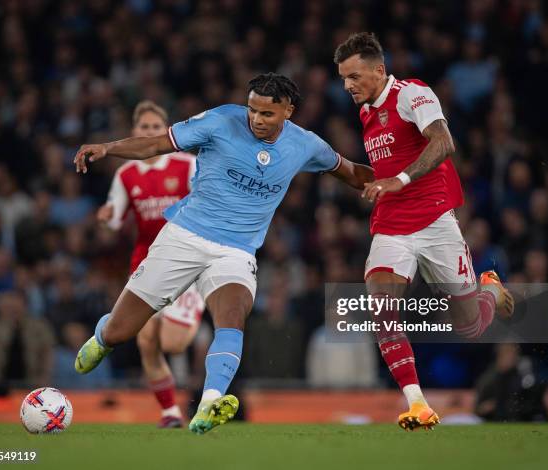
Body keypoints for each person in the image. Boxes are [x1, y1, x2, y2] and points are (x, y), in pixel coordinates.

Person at [73, 73, 375, 434]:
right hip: (184, 238)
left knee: (232, 316)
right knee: (122, 331)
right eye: (252, 110)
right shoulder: (219, 121)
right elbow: (156, 145)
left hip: (236, 251)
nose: (256, 120)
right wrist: (108, 147)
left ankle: (209, 403)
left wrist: (399, 182)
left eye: (267, 114)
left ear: (288, 111)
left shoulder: (306, 145)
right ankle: (103, 335)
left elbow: (353, 173)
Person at [334, 32, 514, 431]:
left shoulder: (412, 93)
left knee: (470, 326)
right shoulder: (365, 112)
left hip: (435, 221)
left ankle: (490, 288)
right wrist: (335, 166)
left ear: (379, 70)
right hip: (391, 226)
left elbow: (443, 142)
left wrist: (399, 178)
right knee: (382, 310)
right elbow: (379, 173)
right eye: (343, 78)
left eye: (354, 76)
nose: (347, 85)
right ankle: (418, 404)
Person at [97, 100, 203, 428]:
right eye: (144, 128)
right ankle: (170, 412)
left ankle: (197, 324)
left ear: (166, 130)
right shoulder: (126, 173)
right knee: (145, 341)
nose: (149, 132)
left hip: (186, 263)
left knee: (172, 342)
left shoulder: (186, 165)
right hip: (146, 263)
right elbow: (114, 220)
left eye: (155, 127)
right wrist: (107, 218)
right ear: (134, 132)